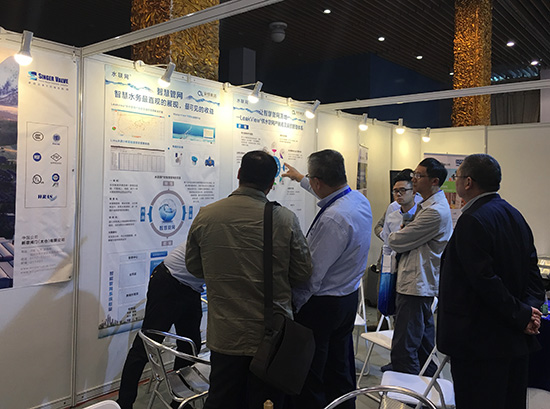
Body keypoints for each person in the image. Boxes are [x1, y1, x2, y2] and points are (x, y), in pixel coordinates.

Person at [185, 150, 312, 409]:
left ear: (239, 174)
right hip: (270, 337)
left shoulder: (206, 215)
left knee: (222, 400)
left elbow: (195, 268)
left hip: (224, 335)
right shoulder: (284, 219)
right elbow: (303, 272)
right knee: (266, 402)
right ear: (272, 183)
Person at [437, 154, 545, 409]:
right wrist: (530, 311)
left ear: (468, 182)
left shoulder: (472, 220)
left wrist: (523, 314)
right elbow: (533, 271)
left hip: (480, 344)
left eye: (457, 176)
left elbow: (484, 281)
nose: (455, 181)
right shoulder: (514, 214)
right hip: (514, 339)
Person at [283, 149, 372, 409]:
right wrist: (301, 179)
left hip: (322, 306)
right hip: (346, 299)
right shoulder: (357, 199)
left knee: (311, 372)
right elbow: (330, 196)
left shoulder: (333, 219)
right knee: (339, 366)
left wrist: (293, 306)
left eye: (311, 179)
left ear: (318, 182)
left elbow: (311, 275)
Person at [116, 241, 204, 409]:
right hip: (168, 281)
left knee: (190, 347)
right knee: (145, 347)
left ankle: (180, 401)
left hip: (192, 288)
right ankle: (124, 404)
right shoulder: (221, 235)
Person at [386, 157, 452, 375]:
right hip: (417, 282)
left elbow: (396, 240)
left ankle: (408, 394)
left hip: (415, 285)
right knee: (423, 347)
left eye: (418, 175)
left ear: (434, 181)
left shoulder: (435, 211)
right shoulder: (426, 205)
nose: (413, 179)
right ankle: (428, 390)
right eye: (414, 175)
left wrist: (398, 235)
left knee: (404, 350)